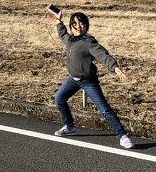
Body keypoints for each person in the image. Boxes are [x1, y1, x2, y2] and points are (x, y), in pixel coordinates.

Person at [49, 9, 134, 149]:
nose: (78, 26)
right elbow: (62, 35)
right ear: (71, 26)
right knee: (59, 98)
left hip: (88, 81)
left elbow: (102, 54)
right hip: (73, 79)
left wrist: (115, 67)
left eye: (81, 23)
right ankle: (70, 127)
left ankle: (123, 136)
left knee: (104, 110)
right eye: (75, 23)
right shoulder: (70, 40)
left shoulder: (88, 42)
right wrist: (59, 21)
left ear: (86, 26)